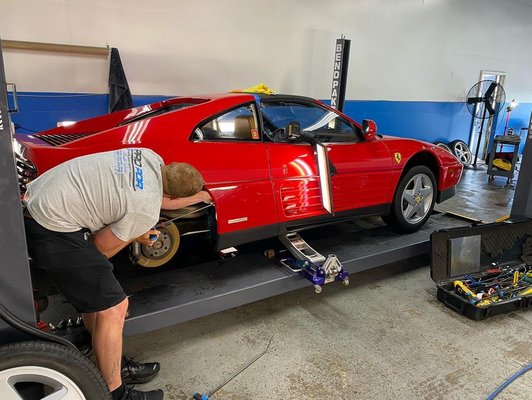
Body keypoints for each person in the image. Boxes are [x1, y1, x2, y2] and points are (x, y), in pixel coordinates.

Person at [23, 148, 211, 400]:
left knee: (97, 301)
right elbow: (101, 249)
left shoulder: (148, 156)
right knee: (114, 308)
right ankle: (115, 393)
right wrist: (135, 232)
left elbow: (139, 196)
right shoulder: (144, 210)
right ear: (171, 195)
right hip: (52, 228)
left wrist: (201, 196)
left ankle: (109, 365)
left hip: (37, 200)